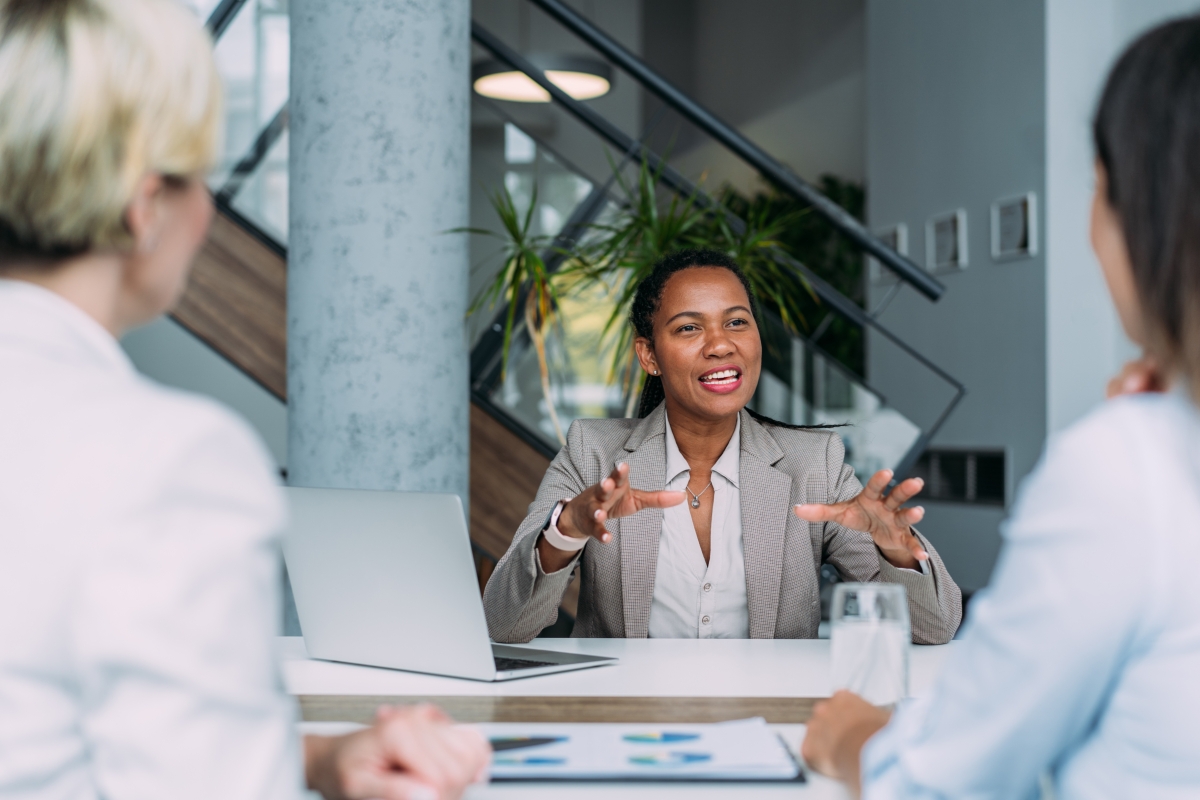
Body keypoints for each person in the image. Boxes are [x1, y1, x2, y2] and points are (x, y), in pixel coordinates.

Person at [0, 1, 488, 798]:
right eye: (204, 180)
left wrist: (318, 762)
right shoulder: (172, 459)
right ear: (144, 204)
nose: (207, 216)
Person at [801, 16, 1200, 798]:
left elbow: (944, 770)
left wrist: (853, 740)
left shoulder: (1128, 467)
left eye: (1095, 188)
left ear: (1138, 211)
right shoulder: (598, 452)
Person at [483, 248, 962, 643]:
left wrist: (898, 552)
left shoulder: (813, 464)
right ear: (649, 354)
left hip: (771, 724)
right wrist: (565, 531)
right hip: (631, 724)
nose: (720, 345)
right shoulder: (593, 452)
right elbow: (503, 625)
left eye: (736, 322)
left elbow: (936, 629)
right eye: (689, 328)